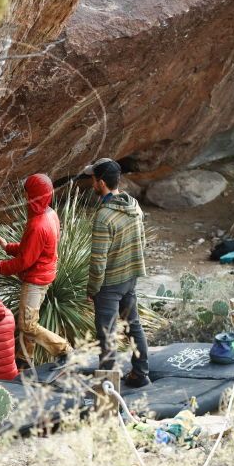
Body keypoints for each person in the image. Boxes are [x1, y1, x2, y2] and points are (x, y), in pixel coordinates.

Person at [0, 174, 71, 363]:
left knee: (27, 325)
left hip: (36, 280)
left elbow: (24, 262)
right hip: (45, 273)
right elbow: (32, 248)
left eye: (27, 193)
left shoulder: (39, 224)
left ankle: (64, 349)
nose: (24, 197)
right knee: (29, 322)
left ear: (33, 196)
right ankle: (24, 359)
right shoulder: (49, 214)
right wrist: (8, 247)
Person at [83, 158, 150, 387]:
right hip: (130, 278)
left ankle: (107, 384)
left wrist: (92, 289)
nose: (91, 183)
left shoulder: (104, 216)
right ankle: (141, 374)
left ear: (101, 183)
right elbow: (141, 241)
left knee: (107, 333)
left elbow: (98, 259)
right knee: (134, 326)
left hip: (109, 284)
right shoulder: (133, 205)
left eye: (92, 179)